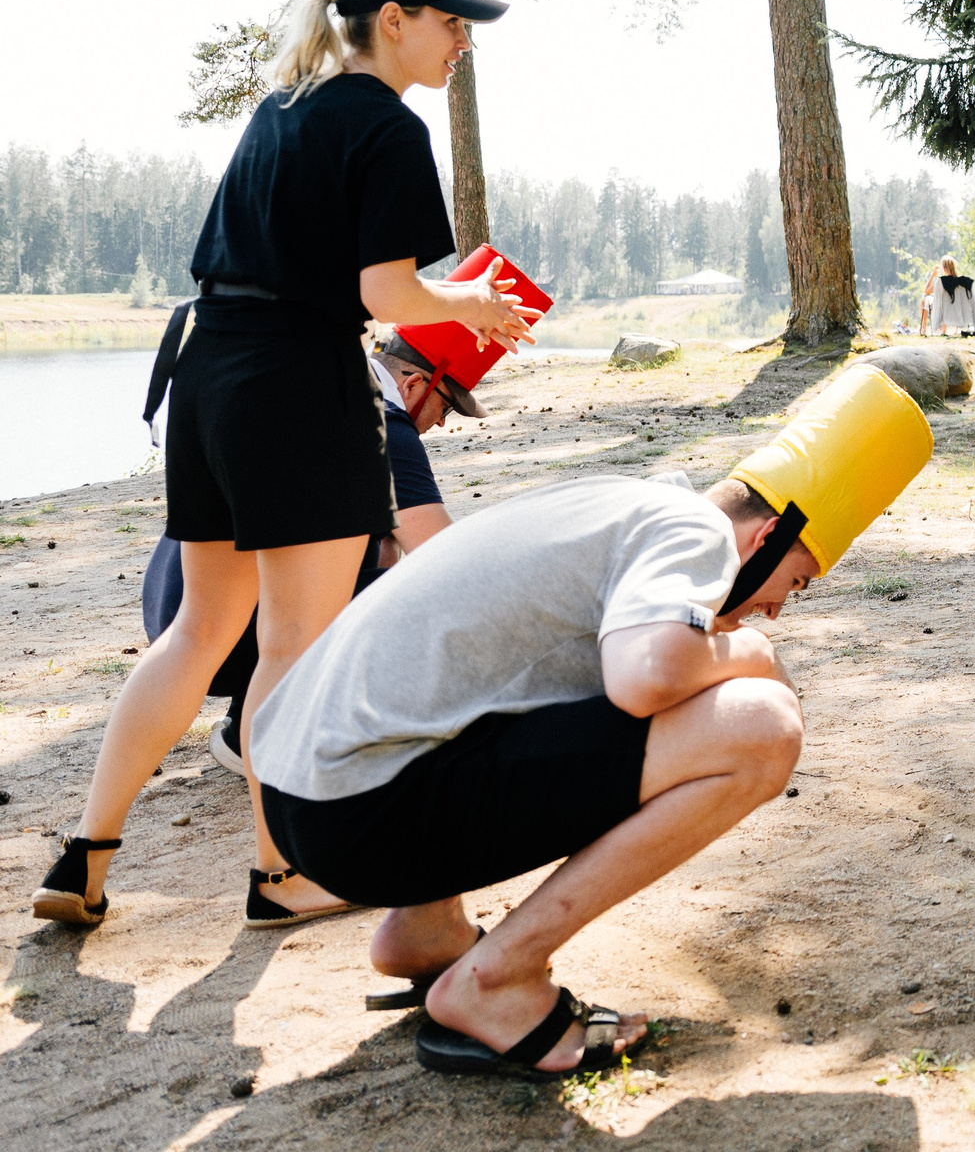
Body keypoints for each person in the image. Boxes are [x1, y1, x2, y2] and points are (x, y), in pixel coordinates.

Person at [34, 0, 539, 933]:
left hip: (209, 371)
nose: (460, 44)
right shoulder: (387, 125)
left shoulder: (282, 108)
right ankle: (281, 873)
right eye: (449, 22)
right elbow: (384, 293)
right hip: (297, 385)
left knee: (200, 629)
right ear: (392, 18)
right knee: (294, 643)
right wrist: (471, 303)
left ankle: (84, 854)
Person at [253, 361, 932, 1077]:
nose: (776, 607)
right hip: (357, 812)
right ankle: (497, 980)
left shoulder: (626, 506)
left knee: (514, 683)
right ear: (765, 535)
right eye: (794, 580)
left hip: (307, 794)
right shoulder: (694, 530)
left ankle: (427, 931)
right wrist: (751, 650)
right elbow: (646, 678)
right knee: (762, 725)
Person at [140, 331, 480, 776]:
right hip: (234, 630)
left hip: (171, 612)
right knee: (424, 595)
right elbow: (444, 560)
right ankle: (283, 730)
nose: (441, 423)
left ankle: (254, 711)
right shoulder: (383, 423)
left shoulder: (305, 387)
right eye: (447, 405)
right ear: (414, 383)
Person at [919, 258, 975, 336]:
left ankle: (923, 328)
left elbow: (926, 291)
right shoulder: (962, 281)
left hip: (944, 308)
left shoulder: (942, 282)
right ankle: (943, 329)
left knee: (925, 299)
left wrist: (933, 275)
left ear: (944, 269)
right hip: (958, 308)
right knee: (946, 304)